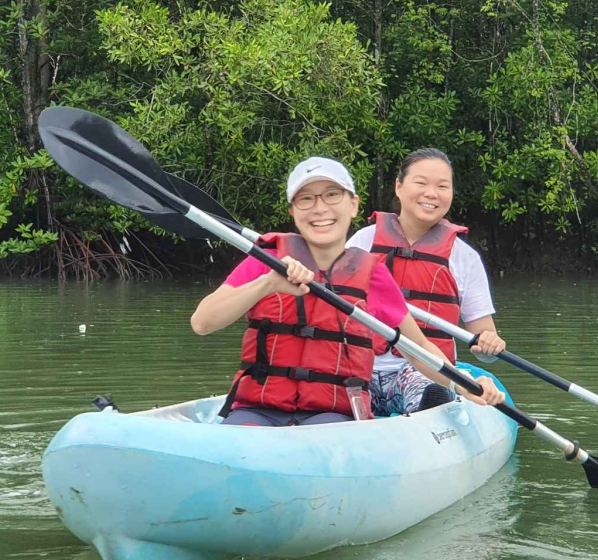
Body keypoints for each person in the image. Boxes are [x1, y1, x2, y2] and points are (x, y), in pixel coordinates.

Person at [190, 156, 505, 426]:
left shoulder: (371, 275)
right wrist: (268, 283)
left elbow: (418, 347)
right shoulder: (268, 260)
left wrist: (466, 386)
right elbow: (202, 323)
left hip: (330, 415)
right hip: (258, 410)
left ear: (353, 205)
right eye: (306, 199)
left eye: (332, 195)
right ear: (293, 211)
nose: (320, 208)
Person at [348, 148, 507, 417]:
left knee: (428, 388)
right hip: (361, 367)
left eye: (442, 186)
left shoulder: (464, 258)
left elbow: (483, 346)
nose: (431, 194)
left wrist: (490, 345)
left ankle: (432, 416)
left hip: (425, 370)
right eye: (420, 183)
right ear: (399, 187)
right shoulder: (361, 244)